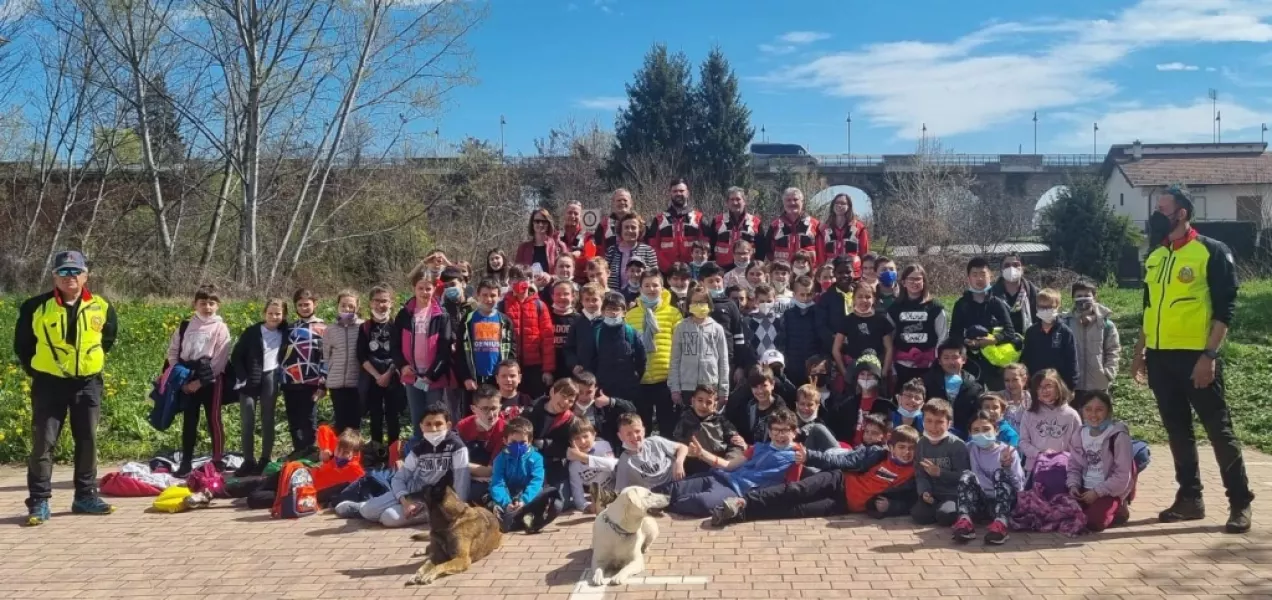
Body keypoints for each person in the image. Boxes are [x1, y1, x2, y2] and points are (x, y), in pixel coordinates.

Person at [1131, 188, 1252, 533]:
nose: (1157, 214)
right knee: (1177, 432)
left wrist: (1209, 356)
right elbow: (1148, 308)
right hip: (1160, 358)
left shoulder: (1211, 251)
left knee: (1219, 431)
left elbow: (1225, 310)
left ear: (1181, 213)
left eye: (1163, 208)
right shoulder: (1155, 256)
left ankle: (1240, 501)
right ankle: (1190, 498)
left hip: (1196, 358)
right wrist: (1140, 352)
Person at [15, 251, 120, 524]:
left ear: (86, 275)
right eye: (63, 272)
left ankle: (85, 496)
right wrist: (39, 371)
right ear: (54, 276)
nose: (69, 277)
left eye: (75, 271)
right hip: (49, 384)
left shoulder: (102, 305)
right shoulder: (35, 306)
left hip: (88, 383)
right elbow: (23, 346)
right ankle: (39, 501)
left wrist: (88, 365)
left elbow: (107, 338)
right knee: (44, 443)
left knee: (87, 441)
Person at [708, 425, 919, 527]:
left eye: (911, 448)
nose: (906, 453)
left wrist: (891, 507)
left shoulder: (914, 473)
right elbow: (842, 461)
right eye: (902, 447)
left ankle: (737, 514)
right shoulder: (876, 454)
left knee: (797, 511)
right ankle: (743, 501)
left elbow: (910, 501)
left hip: (845, 505)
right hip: (839, 480)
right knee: (795, 490)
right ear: (891, 447)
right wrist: (810, 456)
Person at [334, 405, 470, 527]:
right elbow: (399, 478)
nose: (433, 429)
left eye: (438, 424)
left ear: (449, 425)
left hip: (436, 500)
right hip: (409, 494)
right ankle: (361, 508)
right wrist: (405, 502)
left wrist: (456, 511)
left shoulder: (457, 448)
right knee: (368, 510)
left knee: (389, 518)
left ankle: (379, 512)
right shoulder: (419, 449)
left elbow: (461, 482)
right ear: (421, 427)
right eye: (428, 424)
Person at [663, 408, 804, 517]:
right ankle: (653, 501)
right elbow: (729, 465)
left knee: (701, 503)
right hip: (721, 477)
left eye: (784, 430)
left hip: (736, 491)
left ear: (794, 432)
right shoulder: (757, 448)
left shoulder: (796, 457)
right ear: (770, 431)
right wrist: (702, 454)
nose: (779, 435)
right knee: (673, 489)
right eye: (775, 430)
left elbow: (789, 489)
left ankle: (664, 506)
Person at [168, 284, 231, 477]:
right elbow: (173, 352)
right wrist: (179, 376)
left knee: (213, 419)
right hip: (188, 374)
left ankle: (218, 459)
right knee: (189, 421)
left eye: (211, 303)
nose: (207, 307)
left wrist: (201, 382)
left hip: (211, 378)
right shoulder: (185, 326)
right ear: (195, 304)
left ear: (218, 305)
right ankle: (186, 461)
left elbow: (220, 358)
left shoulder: (220, 327)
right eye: (203, 303)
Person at [395, 267, 460, 429]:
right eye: (420, 288)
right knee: (418, 422)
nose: (425, 292)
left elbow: (444, 349)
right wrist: (402, 366)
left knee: (435, 422)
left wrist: (431, 375)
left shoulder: (442, 315)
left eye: (428, 288)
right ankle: (419, 451)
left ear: (434, 289)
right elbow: (394, 345)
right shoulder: (404, 314)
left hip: (434, 378)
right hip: (412, 377)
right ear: (414, 288)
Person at [232, 298, 289, 476]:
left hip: (271, 376)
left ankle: (265, 458)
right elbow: (236, 356)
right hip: (250, 378)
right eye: (270, 313)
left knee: (268, 419)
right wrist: (242, 376)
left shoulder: (287, 331)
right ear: (264, 313)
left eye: (278, 314)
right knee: (247, 420)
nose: (274, 317)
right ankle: (248, 460)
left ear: (284, 315)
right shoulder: (252, 332)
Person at [1066, 390, 1136, 532]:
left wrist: (1097, 492)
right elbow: (1074, 465)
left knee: (1093, 523)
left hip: (1108, 490)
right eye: (1088, 409)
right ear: (1082, 411)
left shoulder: (1118, 435)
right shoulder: (1079, 434)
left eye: (1099, 410)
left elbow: (1122, 475)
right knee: (1064, 515)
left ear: (1108, 411)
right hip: (1085, 489)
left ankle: (1118, 508)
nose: (1093, 415)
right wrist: (1073, 485)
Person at [953, 411, 1024, 544]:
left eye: (986, 429)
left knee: (1000, 473)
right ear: (970, 433)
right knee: (966, 475)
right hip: (982, 503)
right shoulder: (969, 448)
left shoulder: (1007, 452)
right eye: (976, 430)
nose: (981, 434)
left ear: (996, 430)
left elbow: (1019, 486)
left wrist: (1007, 467)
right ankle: (965, 522)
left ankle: (1001, 525)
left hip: (1005, 503)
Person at [948, 257, 1016, 391]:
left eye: (983, 274)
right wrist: (967, 342)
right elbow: (954, 334)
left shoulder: (997, 303)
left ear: (990, 275)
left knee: (997, 402)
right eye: (975, 275)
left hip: (995, 364)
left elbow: (1010, 332)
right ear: (968, 278)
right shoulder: (961, 305)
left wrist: (993, 340)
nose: (979, 279)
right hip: (970, 362)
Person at [627, 268, 682, 434]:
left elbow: (680, 346)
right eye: (647, 285)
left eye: (655, 285)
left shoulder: (673, 313)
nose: (651, 289)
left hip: (665, 378)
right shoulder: (630, 315)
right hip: (641, 379)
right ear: (641, 288)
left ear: (662, 287)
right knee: (642, 427)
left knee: (667, 426)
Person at [489, 417, 564, 533]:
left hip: (529, 498)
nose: (518, 446)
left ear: (530, 441)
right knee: (491, 501)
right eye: (513, 442)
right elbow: (497, 483)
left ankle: (532, 523)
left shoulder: (536, 458)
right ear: (505, 440)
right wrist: (506, 502)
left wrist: (524, 500)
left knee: (556, 502)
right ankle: (516, 520)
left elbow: (536, 482)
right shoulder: (500, 459)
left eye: (522, 442)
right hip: (509, 499)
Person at [280, 288, 327, 456]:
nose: (304, 308)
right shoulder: (289, 328)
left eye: (307, 304)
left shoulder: (323, 328)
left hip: (311, 380)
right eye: (300, 305)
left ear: (315, 304)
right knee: (294, 419)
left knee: (309, 418)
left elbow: (325, 358)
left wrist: (323, 383)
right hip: (290, 379)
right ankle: (298, 449)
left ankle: (310, 450)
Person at [579, 291, 646, 404]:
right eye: (609, 309)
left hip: (627, 390)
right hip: (603, 389)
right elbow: (590, 361)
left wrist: (634, 380)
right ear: (603, 312)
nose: (613, 313)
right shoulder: (596, 332)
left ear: (624, 312)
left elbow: (641, 359)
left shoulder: (631, 333)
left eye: (616, 309)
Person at [669, 286, 731, 407]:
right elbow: (674, 360)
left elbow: (723, 361)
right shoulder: (681, 327)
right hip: (686, 387)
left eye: (703, 302)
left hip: (710, 385)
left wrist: (724, 390)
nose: (699, 305)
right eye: (695, 302)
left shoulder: (717, 328)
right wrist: (674, 388)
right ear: (689, 304)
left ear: (709, 304)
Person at [500, 266, 557, 399]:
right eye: (514, 279)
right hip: (511, 366)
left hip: (535, 367)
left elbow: (547, 339)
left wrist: (547, 370)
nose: (519, 283)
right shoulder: (502, 306)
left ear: (530, 281)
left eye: (523, 279)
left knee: (534, 404)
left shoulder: (540, 306)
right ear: (509, 282)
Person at [889, 264, 948, 389]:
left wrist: (935, 362)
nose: (914, 282)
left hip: (928, 366)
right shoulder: (894, 309)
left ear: (924, 282)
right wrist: (892, 368)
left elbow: (942, 337)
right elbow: (889, 340)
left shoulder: (935, 308)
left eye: (918, 279)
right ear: (904, 282)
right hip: (902, 366)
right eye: (911, 279)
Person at [912, 398, 969, 527]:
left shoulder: (957, 445)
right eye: (929, 421)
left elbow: (964, 476)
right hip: (933, 494)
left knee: (945, 516)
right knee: (918, 515)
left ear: (949, 423)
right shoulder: (921, 443)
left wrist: (940, 473)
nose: (933, 427)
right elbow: (920, 473)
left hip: (952, 494)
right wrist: (924, 492)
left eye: (939, 422)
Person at [358, 285, 403, 448]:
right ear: (370, 303)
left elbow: (400, 353)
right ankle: (376, 449)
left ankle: (393, 451)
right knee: (375, 415)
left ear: (391, 303)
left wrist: (388, 374)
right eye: (376, 301)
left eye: (384, 301)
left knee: (393, 415)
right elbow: (361, 355)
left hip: (393, 377)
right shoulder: (364, 327)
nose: (380, 305)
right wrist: (377, 376)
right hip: (372, 379)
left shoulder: (396, 326)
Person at [456, 279, 517, 399]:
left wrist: (507, 376)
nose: (489, 299)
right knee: (474, 415)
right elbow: (460, 351)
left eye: (493, 295)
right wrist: (466, 377)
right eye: (484, 295)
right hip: (474, 379)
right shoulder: (468, 320)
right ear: (477, 296)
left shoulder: (505, 321)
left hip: (498, 379)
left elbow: (512, 351)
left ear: (499, 296)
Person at [1061, 279, 1122, 395]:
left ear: (1094, 297)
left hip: (1098, 384)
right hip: (1072, 385)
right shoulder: (1065, 323)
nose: (1083, 298)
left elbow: (1113, 350)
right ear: (1073, 298)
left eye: (1087, 295)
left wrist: (1109, 373)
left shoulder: (1106, 325)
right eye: (1079, 295)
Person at [672, 385, 747, 475]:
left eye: (709, 402)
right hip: (693, 470)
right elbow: (676, 446)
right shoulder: (684, 421)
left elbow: (736, 445)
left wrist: (728, 462)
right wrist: (679, 461)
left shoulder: (722, 421)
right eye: (700, 400)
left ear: (715, 405)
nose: (703, 405)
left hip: (720, 468)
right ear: (692, 401)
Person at [831, 281, 893, 387]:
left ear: (874, 299)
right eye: (860, 297)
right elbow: (836, 349)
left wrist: (884, 371)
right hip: (854, 370)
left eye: (868, 297)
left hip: (876, 369)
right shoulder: (847, 320)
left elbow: (889, 348)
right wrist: (845, 372)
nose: (864, 300)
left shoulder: (881, 320)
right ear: (854, 299)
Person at [1017, 369, 1080, 473]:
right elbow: (1023, 442)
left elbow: (1078, 446)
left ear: (1058, 387)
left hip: (1062, 469)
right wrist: (1039, 454)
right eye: (1039, 387)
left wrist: (1060, 457)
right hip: (1035, 469)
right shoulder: (1029, 414)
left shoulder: (1071, 415)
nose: (1044, 390)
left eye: (1048, 386)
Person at [921, 340, 986, 437]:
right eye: (946, 358)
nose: (951, 362)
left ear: (964, 359)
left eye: (955, 357)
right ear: (939, 361)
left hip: (965, 437)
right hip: (933, 436)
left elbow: (981, 414)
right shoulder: (927, 382)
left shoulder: (975, 387)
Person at [698, 261, 750, 381]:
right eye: (710, 281)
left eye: (718, 280)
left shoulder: (730, 305)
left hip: (727, 360)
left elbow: (738, 335)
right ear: (702, 283)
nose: (715, 285)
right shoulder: (696, 304)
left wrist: (739, 366)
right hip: (702, 361)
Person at [823, 351, 888, 446]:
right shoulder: (848, 404)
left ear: (877, 378)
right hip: (849, 450)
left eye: (870, 374)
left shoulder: (885, 405)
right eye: (862, 374)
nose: (866, 378)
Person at [455, 384, 507, 502]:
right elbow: (451, 459)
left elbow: (490, 471)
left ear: (500, 407)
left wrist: (460, 465)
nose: (491, 414)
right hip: (466, 475)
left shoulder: (504, 430)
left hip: (491, 477)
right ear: (474, 409)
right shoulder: (462, 426)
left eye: (494, 408)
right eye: (485, 409)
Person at [1019, 288, 1079, 391]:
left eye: (1049, 307)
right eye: (1042, 307)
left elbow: (1072, 362)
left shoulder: (1065, 332)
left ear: (1057, 307)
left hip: (1059, 386)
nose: (1046, 310)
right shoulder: (1031, 332)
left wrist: (1071, 387)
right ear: (1037, 307)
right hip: (1036, 385)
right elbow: (1026, 359)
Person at [526, 379, 579, 493]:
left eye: (570, 401)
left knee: (557, 504)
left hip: (555, 464)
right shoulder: (531, 411)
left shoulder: (571, 420)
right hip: (529, 463)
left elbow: (568, 447)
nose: (565, 402)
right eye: (563, 396)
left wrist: (545, 444)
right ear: (552, 392)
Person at [324, 289, 365, 436]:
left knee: (355, 422)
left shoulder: (363, 327)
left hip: (356, 382)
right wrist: (324, 380)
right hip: (336, 382)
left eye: (350, 306)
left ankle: (354, 454)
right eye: (343, 305)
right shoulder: (330, 329)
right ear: (338, 306)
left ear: (357, 307)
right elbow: (326, 357)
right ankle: (340, 454)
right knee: (340, 422)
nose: (346, 309)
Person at [613, 413, 689, 491]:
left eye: (637, 431)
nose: (635, 436)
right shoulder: (625, 461)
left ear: (643, 431)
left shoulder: (655, 441)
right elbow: (619, 490)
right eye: (629, 434)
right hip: (657, 494)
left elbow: (683, 447)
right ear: (621, 436)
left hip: (678, 482)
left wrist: (679, 462)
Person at [646, 178, 706, 273]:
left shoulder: (699, 218)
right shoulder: (659, 219)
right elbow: (653, 247)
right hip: (666, 272)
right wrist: (667, 267)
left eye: (681, 191)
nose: (678, 193)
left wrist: (694, 266)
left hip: (693, 271)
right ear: (670, 193)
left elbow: (705, 245)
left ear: (688, 193)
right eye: (675, 191)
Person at [570, 371, 637, 452]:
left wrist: (611, 401)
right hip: (576, 453)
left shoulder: (603, 405)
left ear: (595, 389)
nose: (584, 396)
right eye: (580, 392)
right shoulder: (567, 407)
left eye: (589, 392)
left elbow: (632, 410)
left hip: (603, 453)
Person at [565, 419, 619, 514]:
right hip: (596, 496)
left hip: (616, 487)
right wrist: (586, 507)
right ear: (571, 442)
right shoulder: (573, 466)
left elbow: (611, 465)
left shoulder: (603, 445)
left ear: (594, 435)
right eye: (577, 438)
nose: (582, 441)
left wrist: (583, 457)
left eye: (585, 436)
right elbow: (577, 493)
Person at [708, 186, 766, 269]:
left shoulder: (755, 222)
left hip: (748, 270)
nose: (735, 203)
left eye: (738, 199)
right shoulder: (717, 221)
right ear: (727, 202)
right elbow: (711, 245)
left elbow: (761, 249)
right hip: (721, 270)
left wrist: (757, 268)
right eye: (732, 199)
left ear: (744, 201)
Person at [726, 369, 788, 445]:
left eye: (764, 386)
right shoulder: (749, 406)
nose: (760, 391)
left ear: (772, 385)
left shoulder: (781, 411)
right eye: (755, 387)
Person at [814, 255, 858, 362]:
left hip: (860, 347)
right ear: (834, 274)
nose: (844, 275)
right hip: (833, 351)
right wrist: (839, 342)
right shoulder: (826, 298)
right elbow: (821, 326)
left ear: (854, 272)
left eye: (848, 272)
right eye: (840, 272)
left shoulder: (860, 292)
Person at [779, 276, 819, 386]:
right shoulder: (787, 315)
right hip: (793, 364)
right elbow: (783, 340)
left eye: (809, 294)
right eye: (802, 294)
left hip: (813, 364)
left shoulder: (818, 313)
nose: (805, 298)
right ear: (794, 294)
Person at [765, 187, 820, 265]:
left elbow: (821, 251)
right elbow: (768, 250)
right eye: (788, 200)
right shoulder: (775, 225)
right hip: (783, 272)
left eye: (795, 199)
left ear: (802, 202)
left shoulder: (815, 224)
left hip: (807, 272)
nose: (792, 203)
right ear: (783, 202)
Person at [990, 253, 1041, 337]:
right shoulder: (991, 294)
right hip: (1000, 345)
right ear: (1001, 270)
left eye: (1016, 265)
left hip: (1028, 344)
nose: (1011, 268)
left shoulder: (1034, 293)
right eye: (1007, 265)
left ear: (1022, 269)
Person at [606, 212, 660, 290]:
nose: (630, 230)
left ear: (639, 230)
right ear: (621, 230)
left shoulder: (648, 251)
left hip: (641, 297)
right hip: (615, 297)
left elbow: (655, 276)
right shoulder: (611, 250)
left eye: (633, 227)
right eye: (626, 227)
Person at [816, 192, 869, 267]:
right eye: (836, 202)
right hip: (831, 272)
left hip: (853, 272)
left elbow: (864, 253)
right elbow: (820, 254)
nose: (839, 205)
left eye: (843, 203)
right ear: (832, 205)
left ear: (849, 206)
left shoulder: (859, 228)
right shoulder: (823, 229)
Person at [515, 208, 570, 276]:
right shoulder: (523, 248)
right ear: (532, 223)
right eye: (537, 221)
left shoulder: (559, 246)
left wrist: (550, 278)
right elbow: (517, 274)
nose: (540, 224)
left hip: (554, 286)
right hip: (529, 286)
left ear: (548, 224)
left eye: (544, 221)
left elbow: (567, 273)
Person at [791, 384, 842, 451]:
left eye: (810, 405)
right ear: (796, 404)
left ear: (817, 406)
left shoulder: (821, 424)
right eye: (802, 404)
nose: (805, 408)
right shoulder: (789, 421)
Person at [548, 280, 578, 382]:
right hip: (551, 368)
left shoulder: (579, 319)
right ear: (552, 296)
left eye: (566, 294)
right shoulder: (546, 316)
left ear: (573, 296)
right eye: (558, 294)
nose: (562, 297)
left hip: (572, 369)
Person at [745, 284, 784, 359]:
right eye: (762, 301)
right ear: (756, 300)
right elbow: (747, 345)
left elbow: (783, 343)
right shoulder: (749, 321)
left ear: (775, 300)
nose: (765, 304)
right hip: (756, 363)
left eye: (769, 301)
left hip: (777, 362)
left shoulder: (780, 320)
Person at [559, 200, 598, 270]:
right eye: (569, 213)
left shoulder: (589, 237)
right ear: (564, 215)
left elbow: (590, 260)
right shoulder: (556, 237)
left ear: (580, 217)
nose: (572, 216)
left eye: (576, 213)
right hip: (560, 278)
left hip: (581, 279)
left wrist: (579, 255)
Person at [594, 188, 634, 254]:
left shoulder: (640, 224)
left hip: (635, 262)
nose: (622, 202)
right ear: (613, 203)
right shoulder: (604, 225)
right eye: (619, 200)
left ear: (631, 203)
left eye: (625, 200)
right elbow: (598, 249)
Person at [1000, 363, 1031, 428]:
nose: (1011, 384)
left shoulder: (1033, 399)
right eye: (1007, 380)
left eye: (1015, 380)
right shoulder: (997, 398)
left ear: (1024, 380)